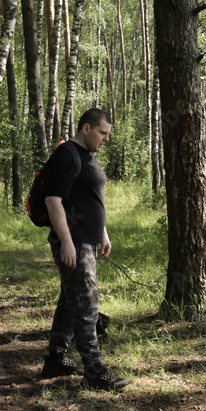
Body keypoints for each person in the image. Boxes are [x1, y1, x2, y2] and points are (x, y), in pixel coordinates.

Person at [40, 108, 130, 391]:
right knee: (86, 304)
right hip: (74, 242)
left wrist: (102, 233)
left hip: (86, 241)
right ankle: (94, 370)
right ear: (86, 128)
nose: (106, 139)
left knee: (70, 301)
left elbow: (89, 199)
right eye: (103, 133)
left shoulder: (87, 156)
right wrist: (67, 241)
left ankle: (55, 358)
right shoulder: (67, 155)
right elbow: (53, 200)